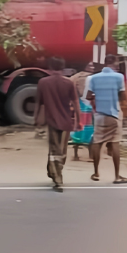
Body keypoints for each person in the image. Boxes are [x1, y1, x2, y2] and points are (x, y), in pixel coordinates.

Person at [34, 57, 80, 191]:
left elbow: (38, 102)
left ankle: (57, 177)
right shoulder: (69, 83)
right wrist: (79, 120)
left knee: (54, 150)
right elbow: (76, 103)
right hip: (66, 120)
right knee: (62, 150)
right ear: (63, 68)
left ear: (49, 67)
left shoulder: (43, 82)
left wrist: (36, 118)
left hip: (52, 120)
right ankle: (55, 173)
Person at [88, 54, 127, 184]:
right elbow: (123, 96)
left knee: (97, 142)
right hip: (114, 114)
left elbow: (89, 95)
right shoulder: (119, 77)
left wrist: (99, 95)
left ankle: (95, 172)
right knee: (115, 143)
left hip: (99, 115)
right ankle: (117, 176)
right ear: (115, 63)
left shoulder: (93, 78)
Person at [70, 62, 95, 160]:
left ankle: (76, 155)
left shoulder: (75, 77)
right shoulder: (91, 78)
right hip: (87, 106)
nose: (92, 67)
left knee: (78, 130)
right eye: (90, 65)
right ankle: (90, 155)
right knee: (89, 130)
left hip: (79, 106)